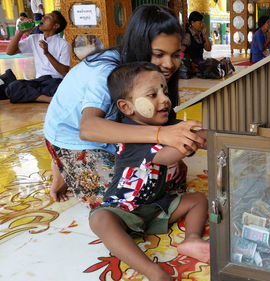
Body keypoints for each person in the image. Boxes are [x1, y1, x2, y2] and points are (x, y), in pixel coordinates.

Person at [43, 5, 205, 209]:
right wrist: (160, 136)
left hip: (113, 130)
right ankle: (61, 160)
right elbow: (88, 127)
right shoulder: (107, 71)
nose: (169, 64)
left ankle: (64, 166)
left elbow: (154, 117)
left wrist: (172, 152)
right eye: (158, 54)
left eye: (175, 55)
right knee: (127, 200)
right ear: (140, 46)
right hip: (73, 135)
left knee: (170, 183)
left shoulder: (152, 73)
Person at [89, 62, 209, 281]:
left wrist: (209, 135)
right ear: (126, 107)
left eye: (164, 90)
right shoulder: (130, 135)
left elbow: (189, 136)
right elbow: (167, 156)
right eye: (153, 95)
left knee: (199, 199)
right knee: (100, 219)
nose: (164, 99)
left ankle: (191, 239)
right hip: (123, 209)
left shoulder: (166, 124)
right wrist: (197, 139)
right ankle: (154, 271)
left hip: (156, 206)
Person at [2, 11, 69, 103]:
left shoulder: (63, 44)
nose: (43, 18)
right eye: (44, 16)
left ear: (56, 26)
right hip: (39, 81)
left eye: (48, 17)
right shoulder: (34, 38)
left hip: (54, 81)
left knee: (61, 89)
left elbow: (64, 72)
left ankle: (34, 96)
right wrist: (21, 32)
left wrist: (47, 53)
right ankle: (48, 99)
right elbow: (10, 52)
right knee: (13, 87)